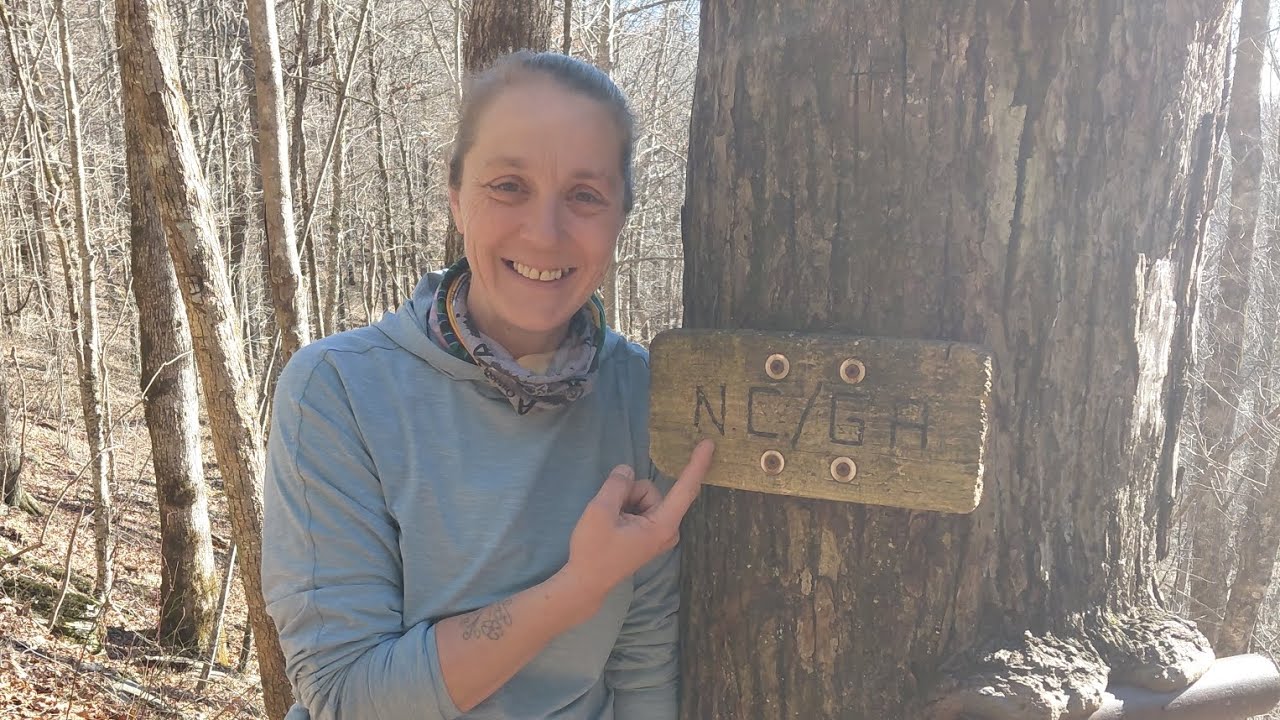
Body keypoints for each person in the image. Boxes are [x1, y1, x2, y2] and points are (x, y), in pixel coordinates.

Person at [260, 49, 715, 720]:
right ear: (456, 198)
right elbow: (345, 695)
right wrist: (577, 589)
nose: (545, 232)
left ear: (621, 216)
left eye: (585, 196)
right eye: (508, 185)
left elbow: (644, 673)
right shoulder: (338, 391)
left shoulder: (642, 395)